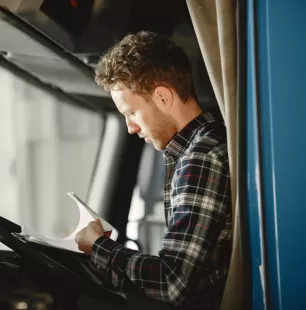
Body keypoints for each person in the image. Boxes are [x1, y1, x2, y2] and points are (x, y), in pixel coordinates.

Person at [75, 31, 232, 310]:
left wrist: (97, 247)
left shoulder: (201, 158)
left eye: (132, 113)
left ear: (162, 97)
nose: (130, 128)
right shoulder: (198, 149)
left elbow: (172, 283)